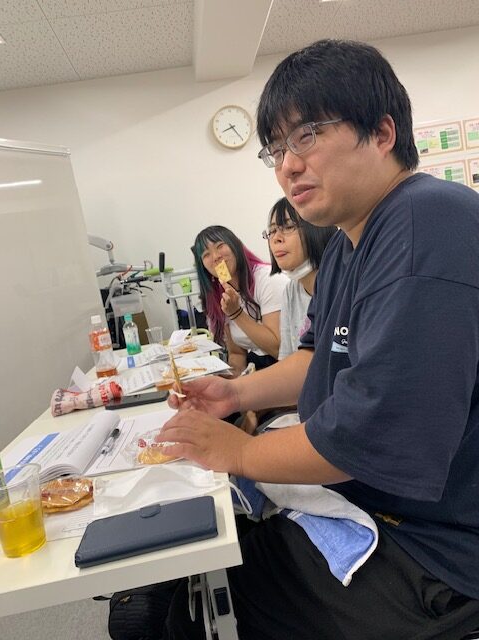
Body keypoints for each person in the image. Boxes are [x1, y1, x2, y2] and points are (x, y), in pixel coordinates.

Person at [159, 39, 479, 639]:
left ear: (382, 132)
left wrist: (237, 453)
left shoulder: (427, 223)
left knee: (199, 607)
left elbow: (370, 434)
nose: (288, 165)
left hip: (440, 548)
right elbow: (317, 359)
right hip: (378, 503)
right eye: (276, 149)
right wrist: (234, 395)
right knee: (192, 569)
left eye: (306, 135)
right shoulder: (348, 245)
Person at [192, 225, 288, 376]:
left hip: (283, 368)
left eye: (220, 246)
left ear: (235, 246)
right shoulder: (220, 296)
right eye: (206, 254)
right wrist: (228, 381)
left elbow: (279, 350)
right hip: (254, 368)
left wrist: (236, 313)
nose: (216, 257)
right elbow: (237, 354)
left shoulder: (269, 280)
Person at [265, 196, 336, 360]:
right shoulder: (291, 290)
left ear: (317, 228)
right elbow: (286, 356)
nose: (276, 238)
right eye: (272, 231)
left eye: (288, 227)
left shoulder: (339, 285)